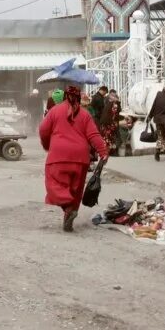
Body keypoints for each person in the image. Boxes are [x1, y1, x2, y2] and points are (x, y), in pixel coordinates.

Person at [39, 85, 108, 232]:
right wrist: (103, 152)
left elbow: (43, 130)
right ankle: (69, 212)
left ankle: (66, 203)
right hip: (81, 158)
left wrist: (47, 145)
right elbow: (93, 135)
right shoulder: (85, 114)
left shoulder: (54, 111)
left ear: (65, 97)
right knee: (76, 190)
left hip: (58, 156)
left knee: (55, 184)